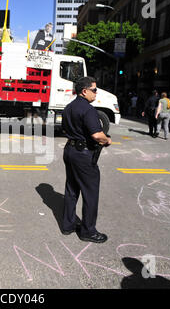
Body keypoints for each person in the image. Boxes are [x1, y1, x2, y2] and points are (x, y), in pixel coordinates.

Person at [61, 76, 112, 243]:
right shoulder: (88, 109)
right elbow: (97, 135)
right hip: (83, 154)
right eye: (94, 90)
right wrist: (107, 140)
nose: (96, 93)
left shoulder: (69, 107)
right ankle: (88, 231)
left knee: (71, 189)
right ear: (84, 91)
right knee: (90, 193)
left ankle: (68, 225)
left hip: (70, 150)